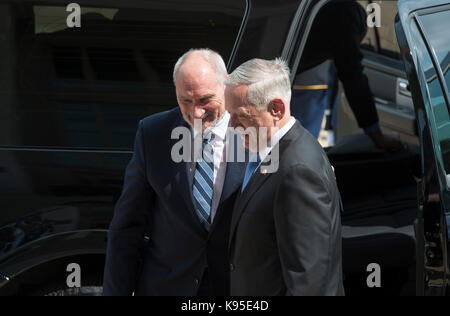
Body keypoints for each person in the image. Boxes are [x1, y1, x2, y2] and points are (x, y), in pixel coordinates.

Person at [103, 48, 246, 296]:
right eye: (185, 101)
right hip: (169, 286)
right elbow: (127, 226)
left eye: (205, 100)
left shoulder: (256, 131)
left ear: (227, 85)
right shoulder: (153, 133)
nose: (196, 112)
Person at [225, 58, 344, 296]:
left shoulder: (298, 172)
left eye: (240, 116)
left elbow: (308, 284)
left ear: (276, 109)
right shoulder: (271, 151)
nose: (231, 125)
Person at [293, 0, 402, 150]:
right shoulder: (345, 13)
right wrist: (377, 136)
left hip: (275, 75)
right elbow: (352, 75)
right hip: (297, 84)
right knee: (296, 149)